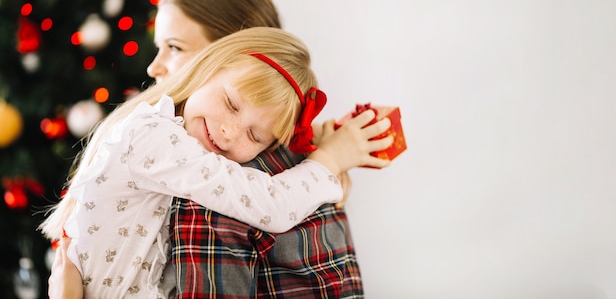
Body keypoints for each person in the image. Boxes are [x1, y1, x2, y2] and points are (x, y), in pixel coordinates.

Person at [41, 26, 392, 298]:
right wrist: (330, 160)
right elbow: (267, 202)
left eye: (254, 136)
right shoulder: (151, 137)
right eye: (231, 104)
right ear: (209, 68)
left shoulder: (174, 140)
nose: (228, 132)